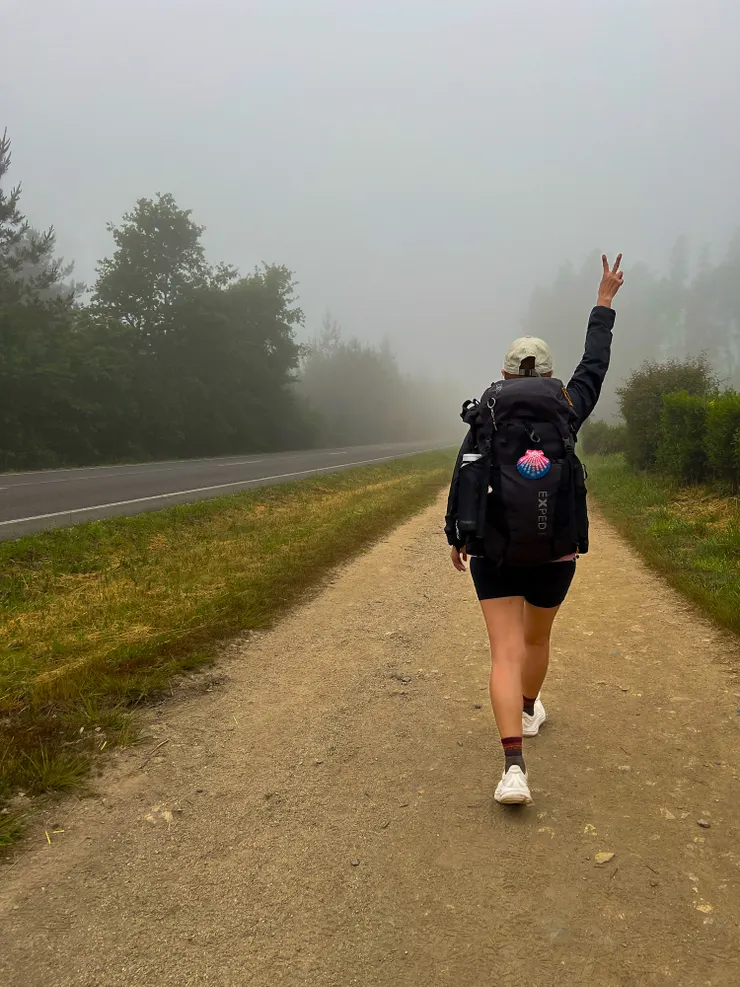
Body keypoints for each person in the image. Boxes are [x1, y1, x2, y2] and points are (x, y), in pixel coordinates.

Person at [445, 253, 624, 806]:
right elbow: (595, 365)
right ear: (549, 375)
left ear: (504, 373)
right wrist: (603, 302)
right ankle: (529, 708)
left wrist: (458, 533)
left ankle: (513, 769)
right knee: (536, 638)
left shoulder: (488, 411)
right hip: (556, 547)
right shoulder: (567, 405)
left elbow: (467, 470)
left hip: (494, 550)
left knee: (504, 650)